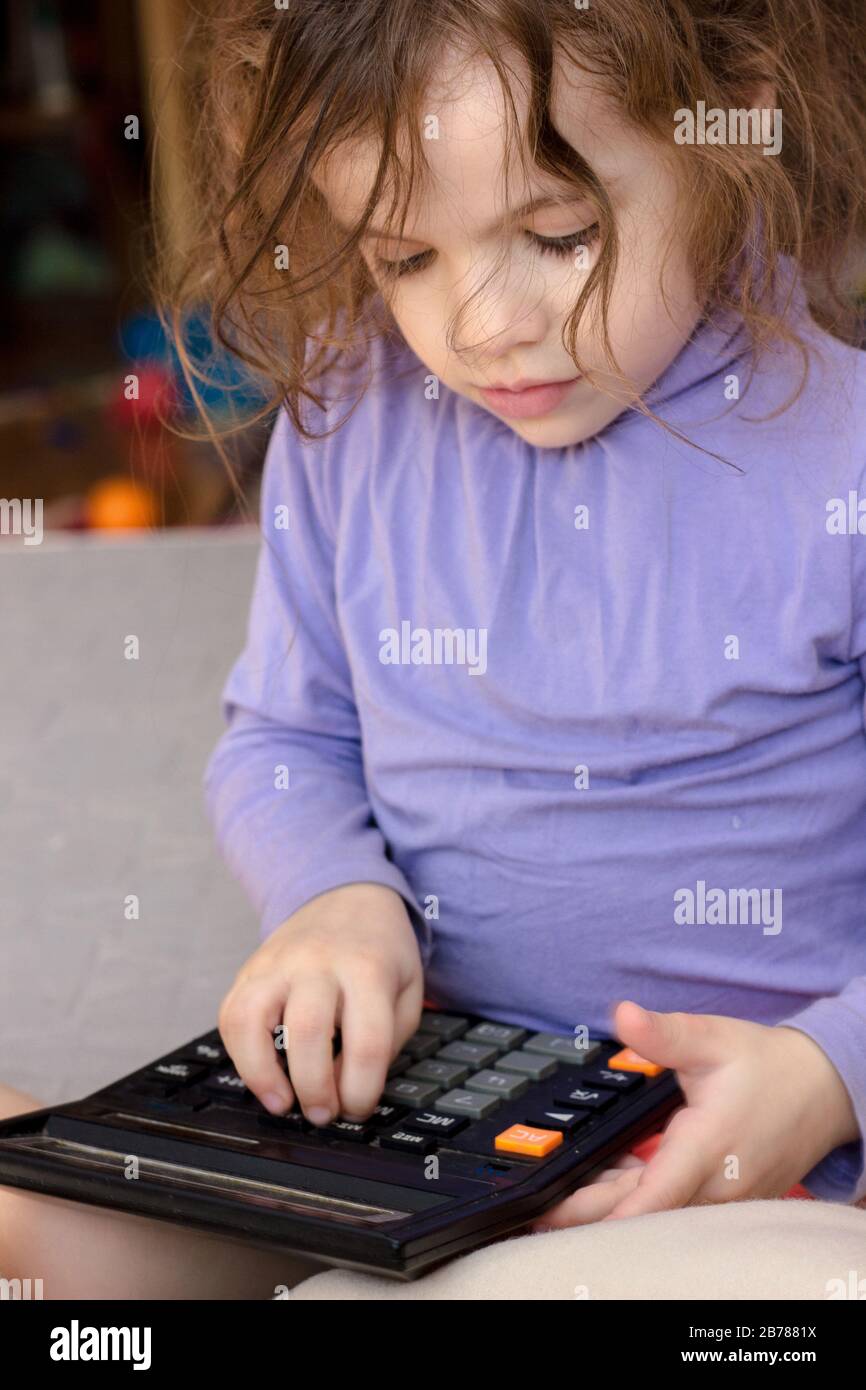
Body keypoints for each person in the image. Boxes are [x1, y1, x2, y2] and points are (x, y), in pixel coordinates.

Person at [4, 0, 866, 1300]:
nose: (481, 324)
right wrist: (331, 898)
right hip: (406, 1135)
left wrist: (822, 1073)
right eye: (404, 255)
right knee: (30, 1210)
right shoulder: (349, 418)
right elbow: (287, 739)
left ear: (722, 119)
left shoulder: (841, 450)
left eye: (557, 236)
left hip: (743, 1164)